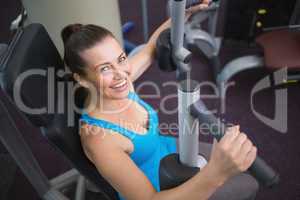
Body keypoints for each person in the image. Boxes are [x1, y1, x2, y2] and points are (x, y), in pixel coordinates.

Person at [61, 1, 258, 200]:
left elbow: (149, 48)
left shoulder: (120, 84)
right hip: (163, 190)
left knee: (247, 165)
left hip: (168, 150)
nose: (121, 74)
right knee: (249, 185)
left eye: (121, 59)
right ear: (82, 79)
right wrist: (216, 173)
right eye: (104, 68)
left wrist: (184, 13)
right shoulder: (99, 139)